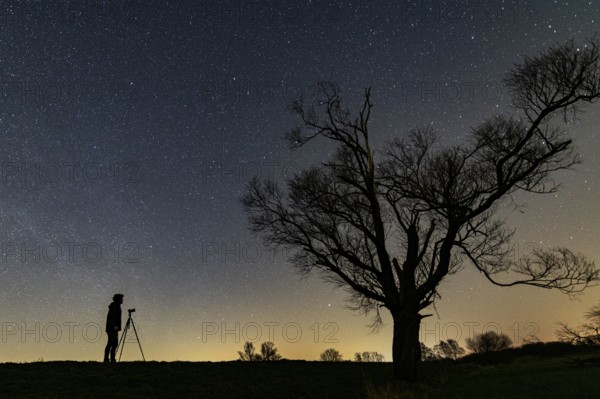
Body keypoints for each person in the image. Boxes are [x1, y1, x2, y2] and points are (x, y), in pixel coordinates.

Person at [104, 293, 123, 363]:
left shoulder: (115, 305)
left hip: (111, 328)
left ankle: (110, 359)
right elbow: (114, 317)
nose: (122, 300)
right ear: (118, 299)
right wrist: (115, 326)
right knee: (112, 343)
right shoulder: (115, 306)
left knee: (112, 343)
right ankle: (109, 359)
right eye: (121, 299)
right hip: (112, 328)